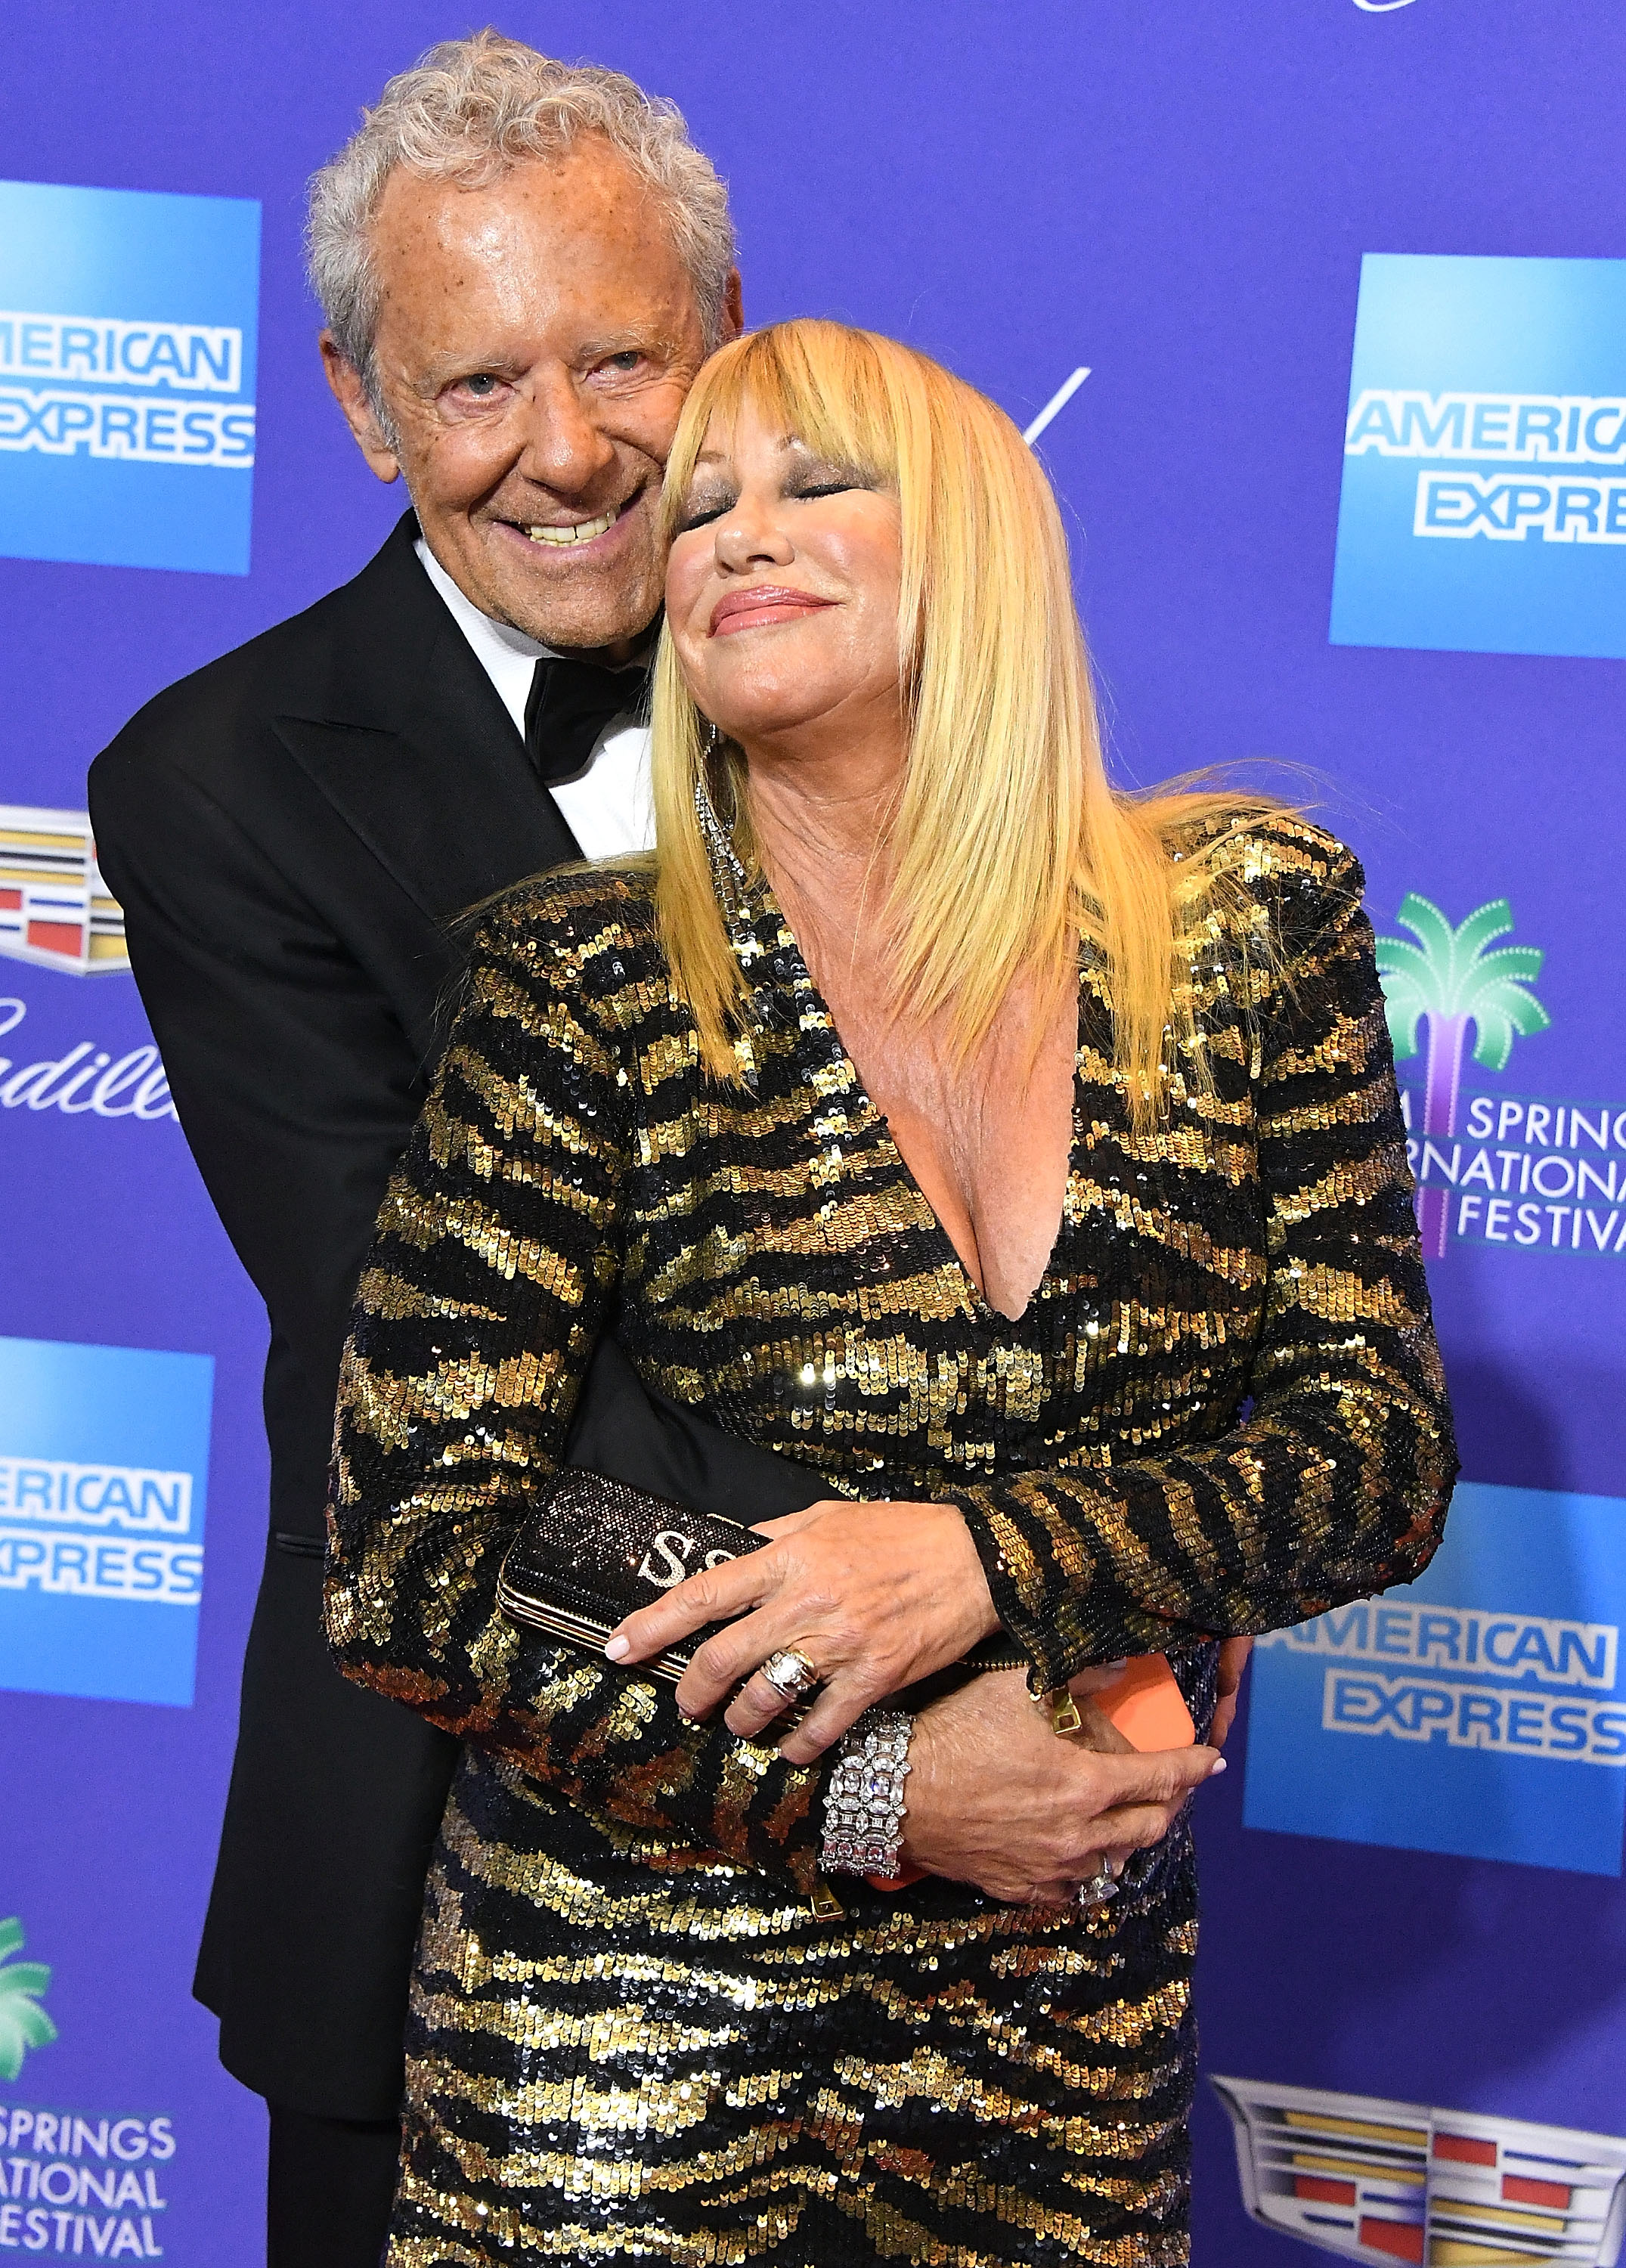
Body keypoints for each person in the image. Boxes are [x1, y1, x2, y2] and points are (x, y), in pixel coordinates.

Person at [324, 318, 1457, 2264]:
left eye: (812, 483)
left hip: (1061, 2053)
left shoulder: (1253, 922)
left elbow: (1369, 1456)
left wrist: (985, 1558)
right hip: (619, 2055)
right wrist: (876, 1791)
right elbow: (416, 1558)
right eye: (698, 509)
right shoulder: (574, 986)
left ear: (979, 548)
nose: (731, 538)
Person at [87, 36, 835, 2268]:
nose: (574, 448)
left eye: (625, 355)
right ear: (358, 401)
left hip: (930, 1967)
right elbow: (430, 1371)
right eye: (481, 381)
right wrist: (887, 1700)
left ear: (722, 337)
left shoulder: (902, 686)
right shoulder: (219, 784)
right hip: (463, 1832)